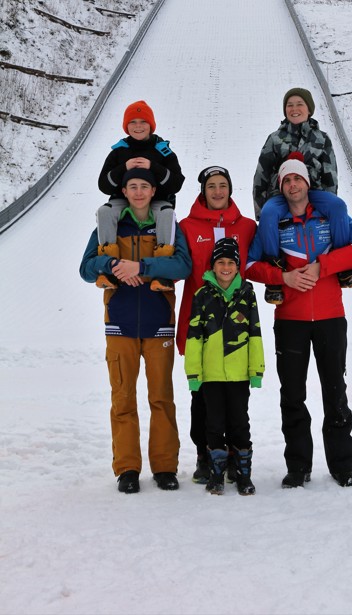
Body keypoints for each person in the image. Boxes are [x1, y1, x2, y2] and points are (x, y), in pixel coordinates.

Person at [246, 156, 352, 489]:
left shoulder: (329, 216)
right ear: (281, 188)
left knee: (336, 393)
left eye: (297, 180)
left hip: (331, 318)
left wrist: (323, 266)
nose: (293, 186)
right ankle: (298, 466)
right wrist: (283, 277)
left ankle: (343, 465)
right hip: (290, 320)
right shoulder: (275, 222)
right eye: (286, 181)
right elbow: (249, 265)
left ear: (306, 184)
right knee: (292, 395)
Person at [80, 167, 192, 494]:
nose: (139, 192)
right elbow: (86, 268)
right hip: (120, 324)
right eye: (133, 187)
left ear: (154, 190)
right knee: (123, 399)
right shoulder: (112, 226)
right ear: (125, 192)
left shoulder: (168, 227)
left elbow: (182, 265)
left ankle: (164, 467)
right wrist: (113, 265)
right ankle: (127, 468)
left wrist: (142, 267)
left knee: (161, 398)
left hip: (159, 325)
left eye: (145, 186)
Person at [177, 166, 257, 485]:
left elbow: (259, 264)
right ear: (203, 191)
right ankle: (205, 454)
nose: (218, 191)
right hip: (201, 324)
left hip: (236, 327)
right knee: (203, 398)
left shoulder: (248, 227)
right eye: (212, 186)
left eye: (223, 185)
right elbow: (176, 264)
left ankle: (236, 456)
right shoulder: (186, 226)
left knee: (236, 401)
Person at [253, 88, 352, 303]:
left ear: (309, 109)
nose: (294, 109)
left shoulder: (321, 139)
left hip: (314, 192)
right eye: (290, 105)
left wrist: (327, 206)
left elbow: (330, 171)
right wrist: (261, 210)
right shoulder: (276, 139)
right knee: (268, 213)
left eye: (299, 104)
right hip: (282, 193)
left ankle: (343, 266)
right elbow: (262, 174)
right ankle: (274, 273)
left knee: (338, 206)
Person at [184, 238, 265, 496]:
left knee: (240, 423)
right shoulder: (203, 295)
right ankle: (216, 473)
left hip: (239, 374)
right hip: (212, 376)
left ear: (238, 266)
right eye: (221, 262)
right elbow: (194, 338)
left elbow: (255, 333)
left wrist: (256, 370)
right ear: (213, 266)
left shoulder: (247, 294)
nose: (226, 267)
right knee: (214, 424)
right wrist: (194, 374)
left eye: (231, 262)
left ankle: (243, 474)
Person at [96, 100, 185, 292]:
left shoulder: (162, 150)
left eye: (143, 122)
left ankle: (162, 273)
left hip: (157, 201)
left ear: (151, 125)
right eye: (133, 122)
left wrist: (154, 167)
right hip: (124, 200)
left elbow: (176, 183)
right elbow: (103, 184)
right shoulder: (119, 151)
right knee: (105, 212)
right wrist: (124, 168)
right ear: (126, 126)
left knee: (166, 213)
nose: (138, 126)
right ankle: (110, 267)